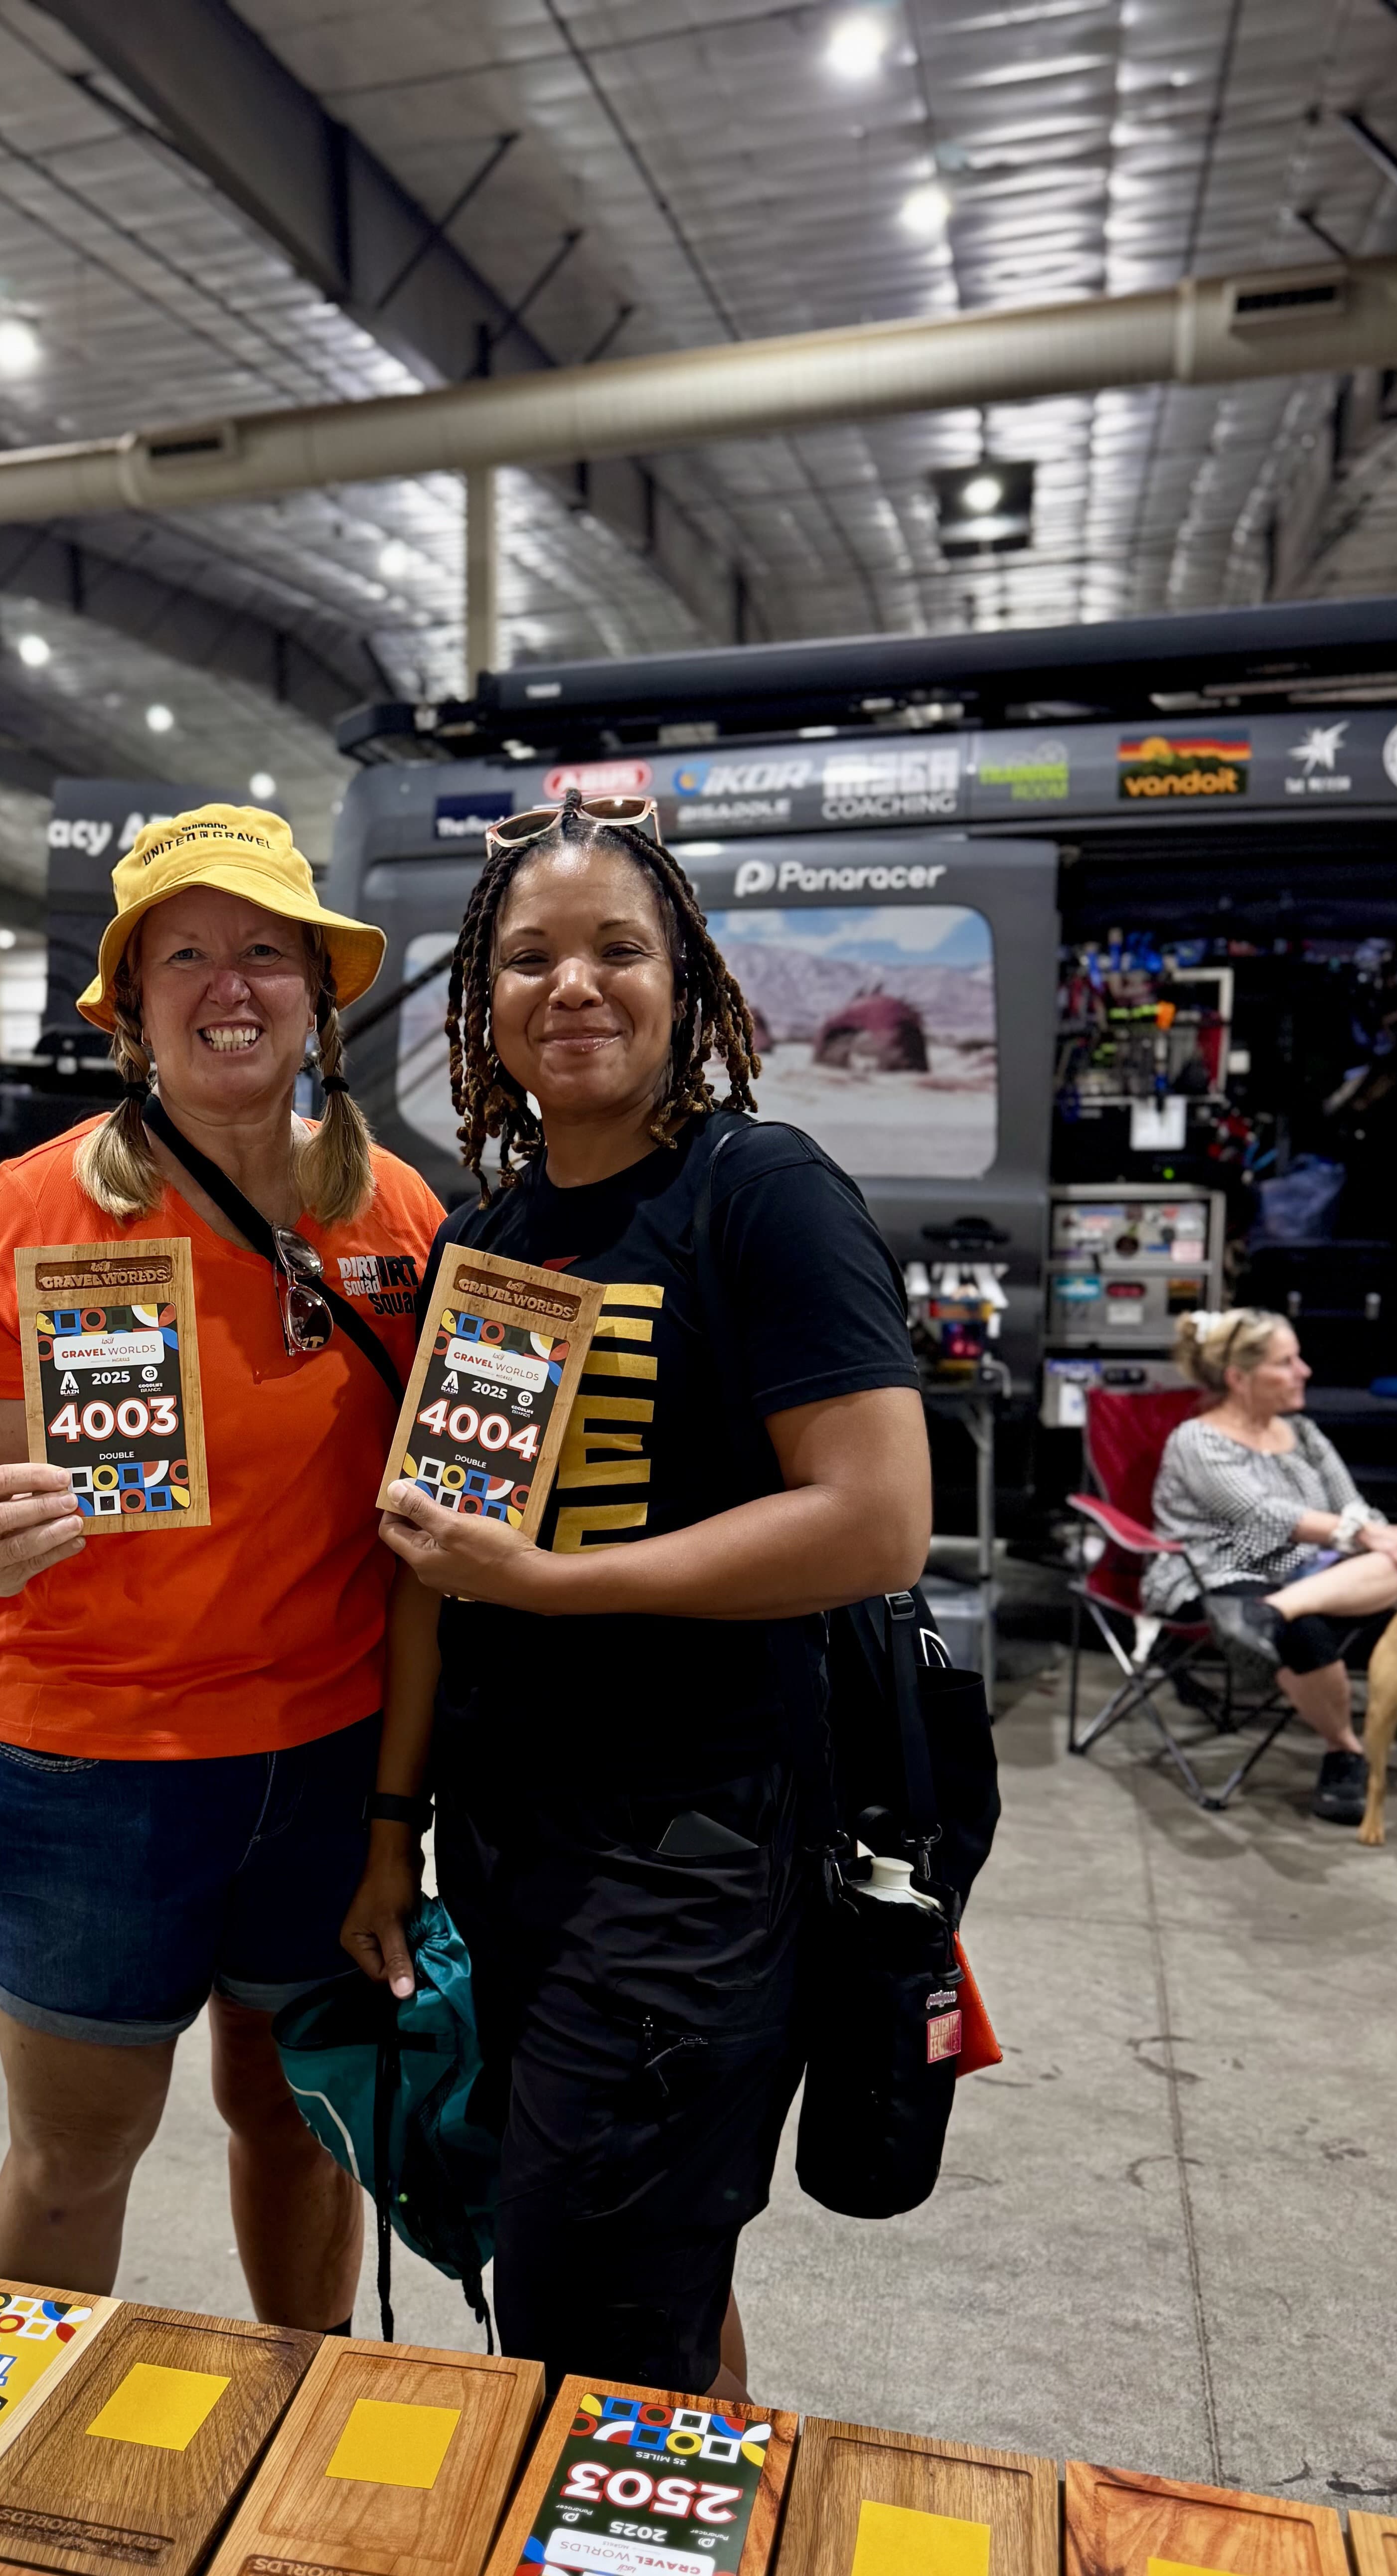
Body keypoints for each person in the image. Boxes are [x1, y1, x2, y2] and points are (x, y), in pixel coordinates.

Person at [341, 790, 930, 2396]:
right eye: (527, 958)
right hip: (511, 1845)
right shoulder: (493, 1238)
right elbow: (428, 1561)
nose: (572, 985)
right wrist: (394, 1835)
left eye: (617, 948)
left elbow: (874, 1521)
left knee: (581, 2298)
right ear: (482, 1003)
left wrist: (555, 1579)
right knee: (637, 2275)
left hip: (695, 1851)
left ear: (688, 980)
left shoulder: (758, 1192)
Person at [0, 804, 446, 2313]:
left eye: (265, 950)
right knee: (78, 2154)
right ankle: (12, 2469)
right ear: (129, 1007)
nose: (228, 984)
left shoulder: (392, 1210)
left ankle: (294, 2422)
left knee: (297, 2120)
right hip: (88, 1769)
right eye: (183, 954)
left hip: (324, 1762)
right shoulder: (39, 1207)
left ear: (321, 994)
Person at [1144, 1307, 1397, 1823]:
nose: (1303, 1370)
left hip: (1297, 1579)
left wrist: (1379, 1530)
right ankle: (1344, 1750)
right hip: (1214, 1573)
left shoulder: (1301, 1431)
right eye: (1286, 1361)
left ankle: (1269, 1613)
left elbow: (1350, 1505)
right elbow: (1261, 1513)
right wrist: (1367, 1532)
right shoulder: (1196, 1440)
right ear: (1239, 1377)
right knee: (1306, 1632)